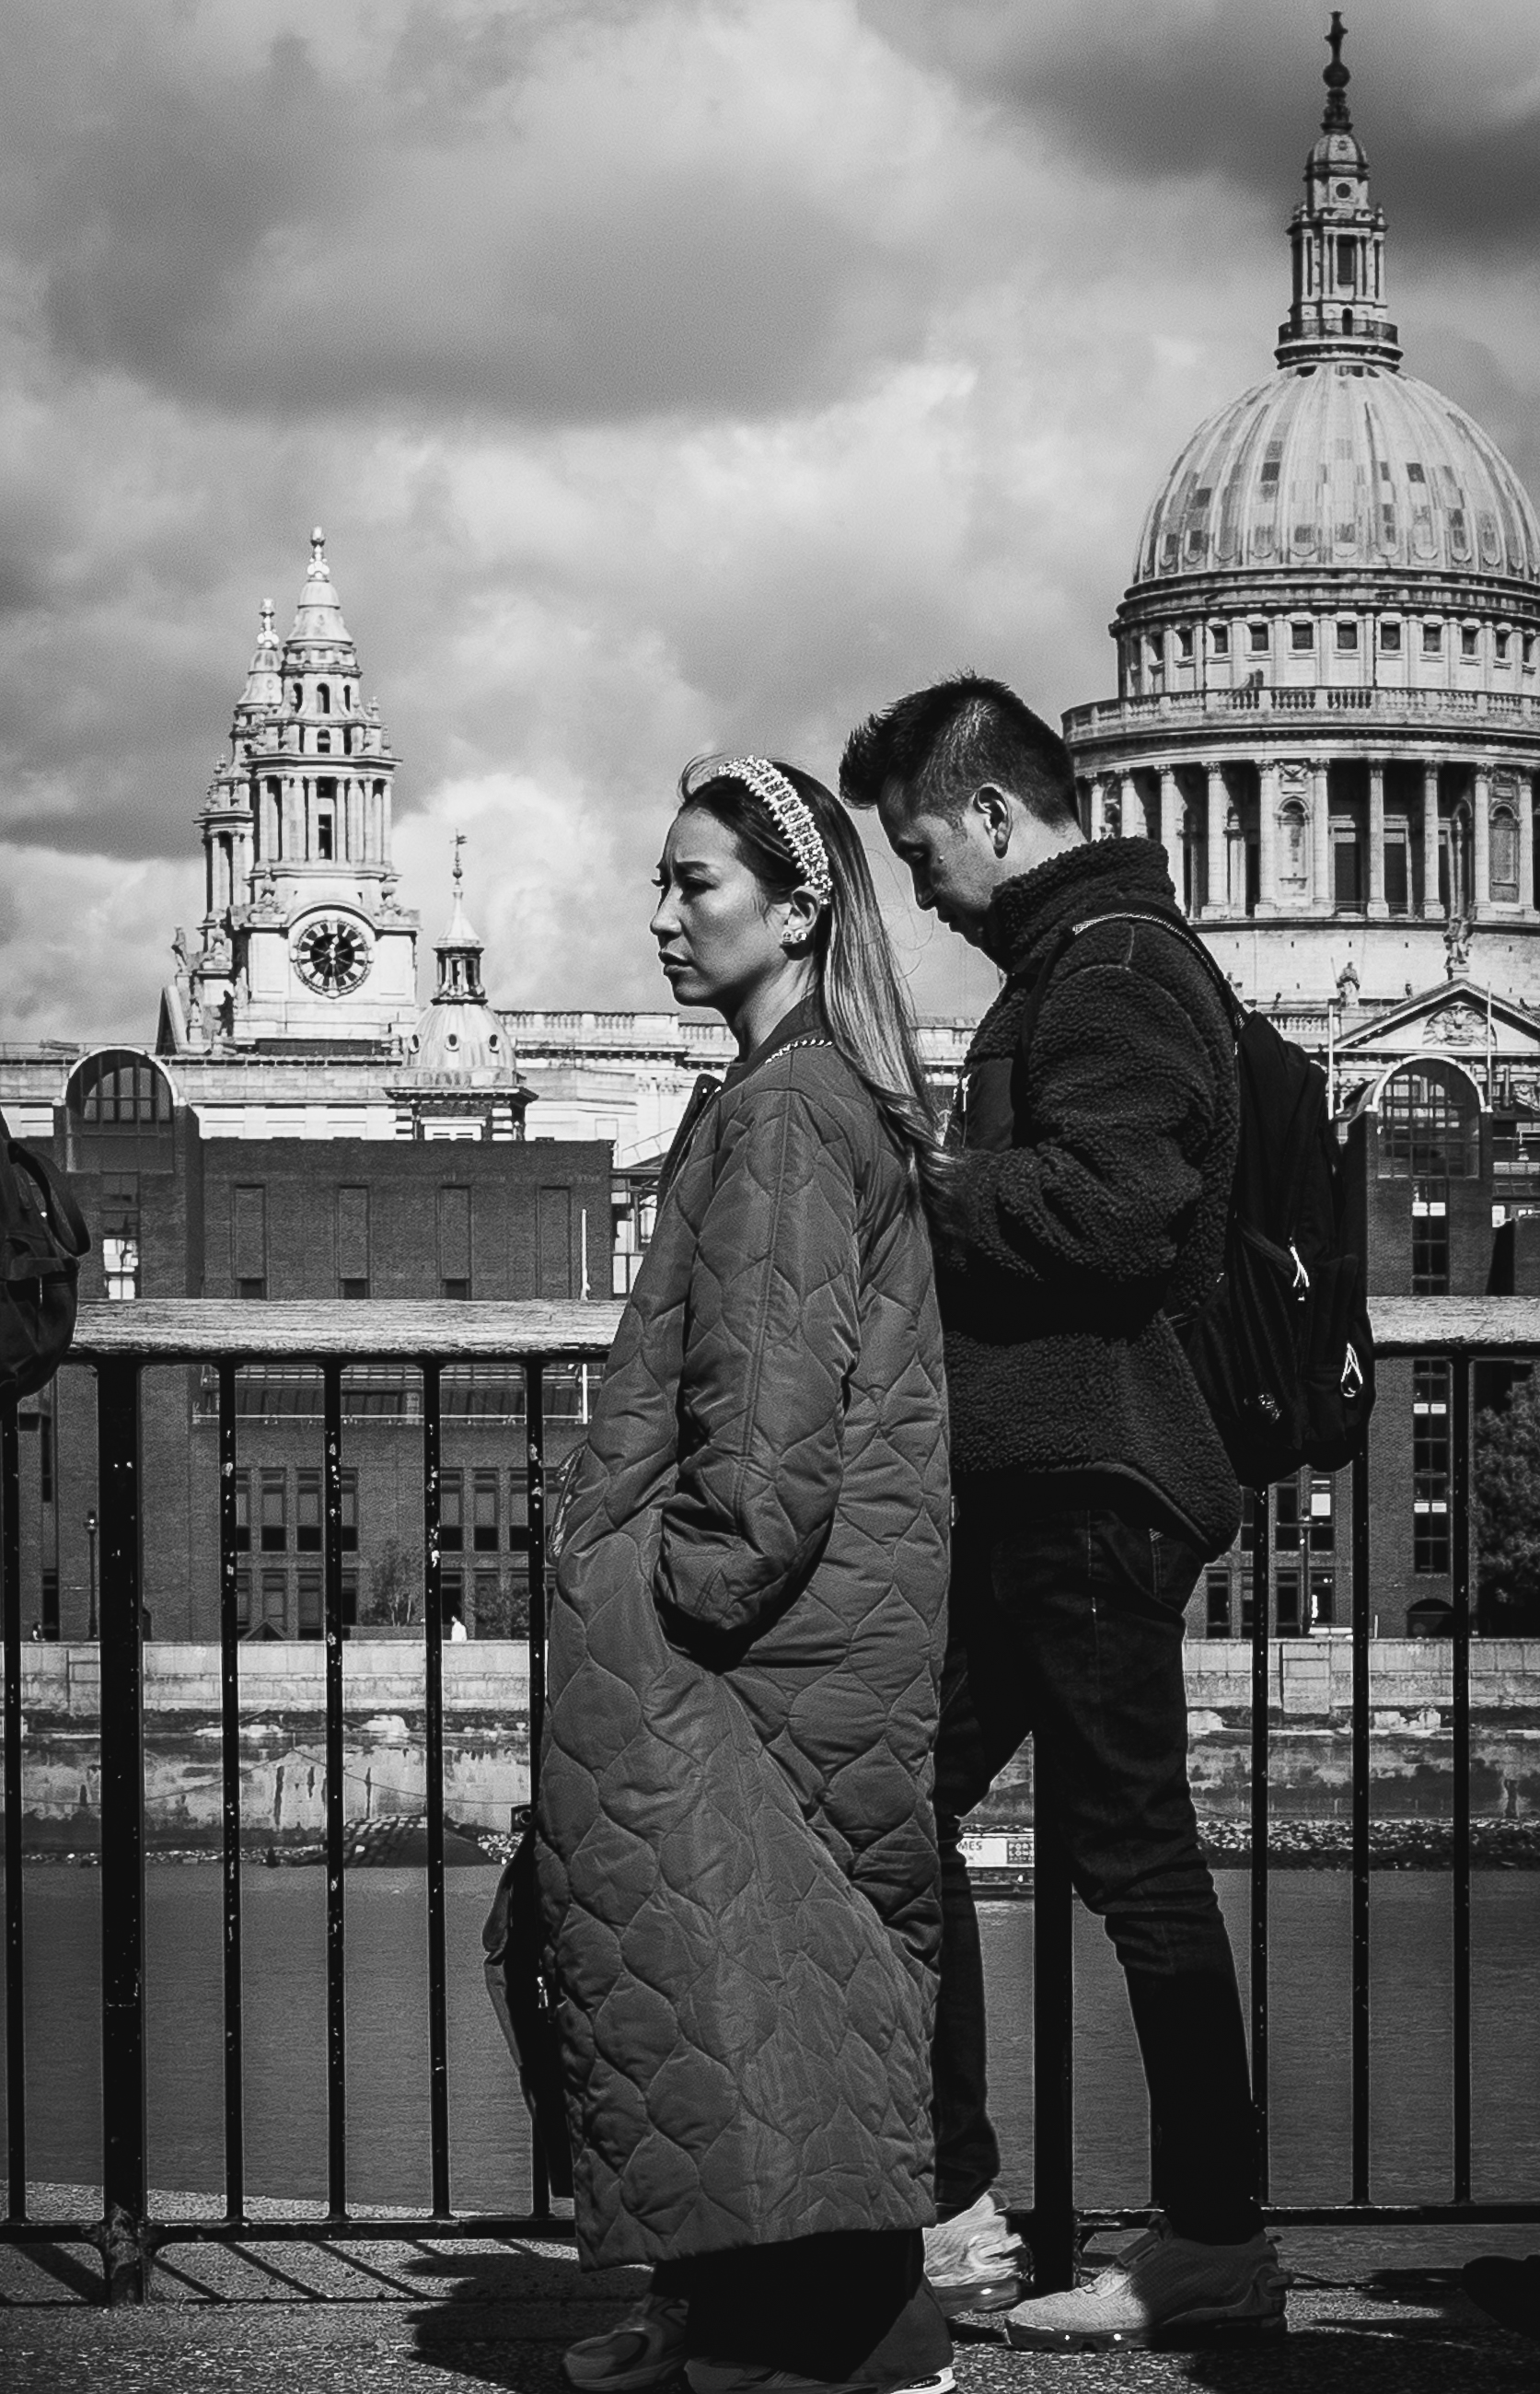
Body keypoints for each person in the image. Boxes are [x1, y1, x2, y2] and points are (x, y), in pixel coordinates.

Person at [839, 675, 1288, 2352]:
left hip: (1087, 1481)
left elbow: (1111, 1214)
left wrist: (914, 1182)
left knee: (1131, 1860)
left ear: (991, 815)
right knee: (898, 1807)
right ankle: (959, 2204)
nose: (923, 894)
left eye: (920, 853)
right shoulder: (1089, 963)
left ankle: (1205, 2239)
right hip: (1046, 1478)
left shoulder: (1110, 972)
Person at [537, 755, 955, 2394]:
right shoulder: (800, 1089)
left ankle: (823, 2338)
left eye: (693, 882)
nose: (659, 915)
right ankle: (752, 2316)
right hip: (821, 1625)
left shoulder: (783, 1109)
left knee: (743, 1968)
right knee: (761, 1975)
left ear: (796, 911)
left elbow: (766, 1430)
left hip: (755, 1640)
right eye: (658, 880)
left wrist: (650, 1589)